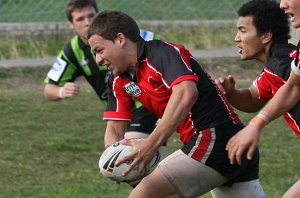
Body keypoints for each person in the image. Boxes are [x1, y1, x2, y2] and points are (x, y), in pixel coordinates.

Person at [87, 10, 265, 198]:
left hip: (216, 137)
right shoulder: (118, 80)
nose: (98, 60)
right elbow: (114, 129)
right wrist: (113, 161)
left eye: (99, 50)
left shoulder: (161, 53)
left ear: (120, 39)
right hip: (224, 143)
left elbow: (187, 93)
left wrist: (150, 145)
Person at [43, 0, 167, 172]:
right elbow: (49, 89)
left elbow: (170, 58)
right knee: (132, 170)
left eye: (91, 16)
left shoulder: (132, 37)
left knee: (130, 162)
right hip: (117, 110)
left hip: (144, 105)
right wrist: (62, 91)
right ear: (71, 24)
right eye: (80, 19)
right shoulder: (73, 50)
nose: (87, 22)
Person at [215, 0, 300, 197]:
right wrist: (232, 93)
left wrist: (255, 125)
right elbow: (255, 97)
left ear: (266, 36)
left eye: (243, 31)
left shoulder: (282, 65)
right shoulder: (275, 66)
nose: (237, 38)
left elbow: (292, 87)